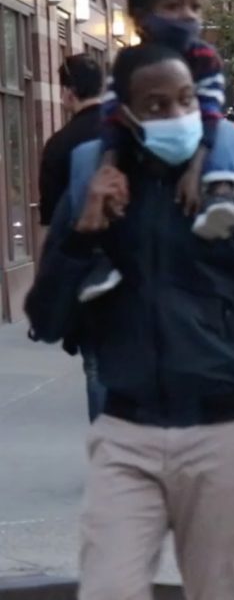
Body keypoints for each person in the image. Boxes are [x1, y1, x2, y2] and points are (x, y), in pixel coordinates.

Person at [24, 43, 234, 600]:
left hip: (223, 433)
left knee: (215, 591)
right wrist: (83, 231)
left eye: (186, 100)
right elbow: (46, 320)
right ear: (127, 115)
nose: (175, 115)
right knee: (108, 590)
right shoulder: (95, 191)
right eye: (157, 105)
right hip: (126, 432)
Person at [70, 0, 234, 302]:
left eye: (195, 6)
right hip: (138, 147)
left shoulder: (204, 58)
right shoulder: (128, 62)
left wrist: (198, 167)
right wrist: (110, 166)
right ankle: (100, 252)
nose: (187, 15)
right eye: (173, 5)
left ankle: (219, 199)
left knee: (230, 134)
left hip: (200, 141)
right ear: (141, 13)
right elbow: (114, 115)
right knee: (86, 155)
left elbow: (212, 111)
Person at [35, 53, 110, 422]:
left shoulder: (59, 145)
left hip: (85, 269)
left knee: (96, 364)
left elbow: (50, 226)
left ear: (67, 94)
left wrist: (46, 288)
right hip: (139, 260)